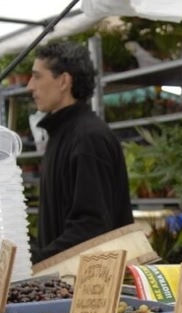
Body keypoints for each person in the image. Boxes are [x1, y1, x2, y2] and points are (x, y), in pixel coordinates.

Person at [27, 40, 133, 263]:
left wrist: (36, 262)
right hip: (67, 277)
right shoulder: (62, 134)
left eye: (37, 77)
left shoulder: (88, 139)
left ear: (63, 81)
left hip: (92, 279)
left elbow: (92, 228)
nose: (30, 86)